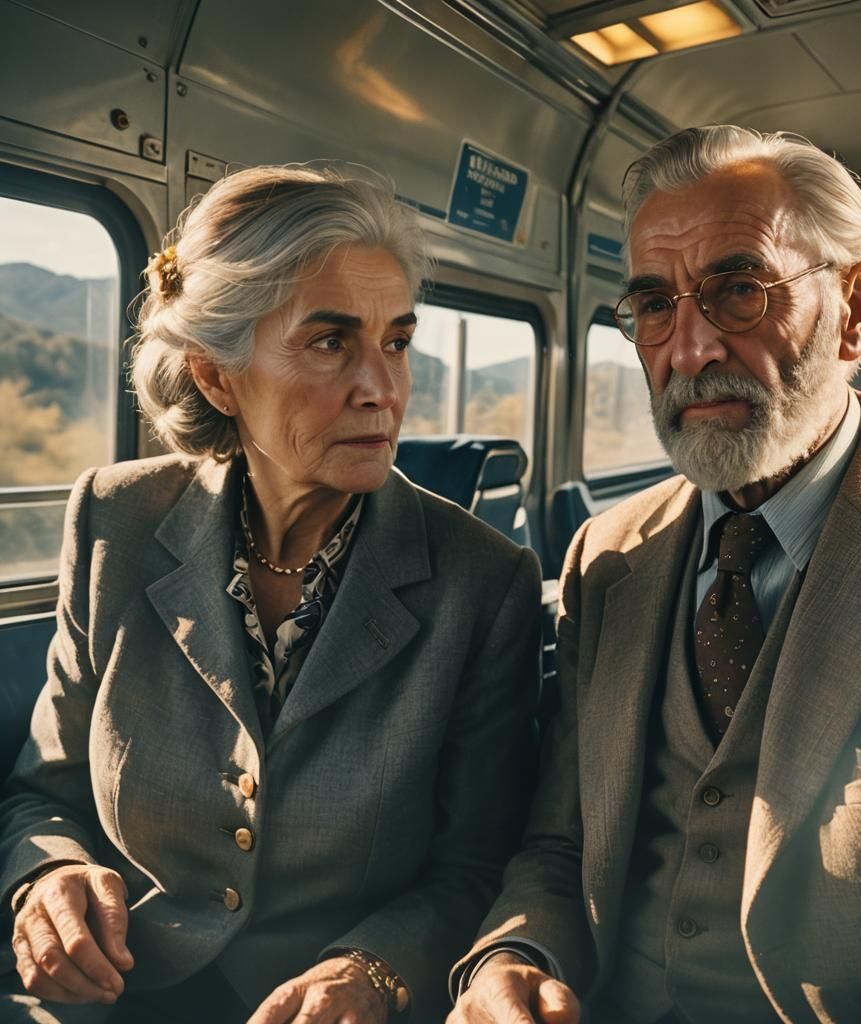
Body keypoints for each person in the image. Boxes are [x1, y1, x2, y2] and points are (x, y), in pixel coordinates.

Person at [447, 125, 861, 1024]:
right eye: (653, 307)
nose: (689, 349)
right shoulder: (606, 559)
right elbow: (559, 846)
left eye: (738, 293)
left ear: (857, 308)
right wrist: (514, 957)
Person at [0, 165, 541, 1024]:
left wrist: (374, 969)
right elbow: (42, 792)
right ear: (217, 376)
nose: (383, 388)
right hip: (117, 988)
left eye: (396, 341)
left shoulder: (485, 583)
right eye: (330, 342)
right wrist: (47, 877)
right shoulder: (114, 521)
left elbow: (481, 864)